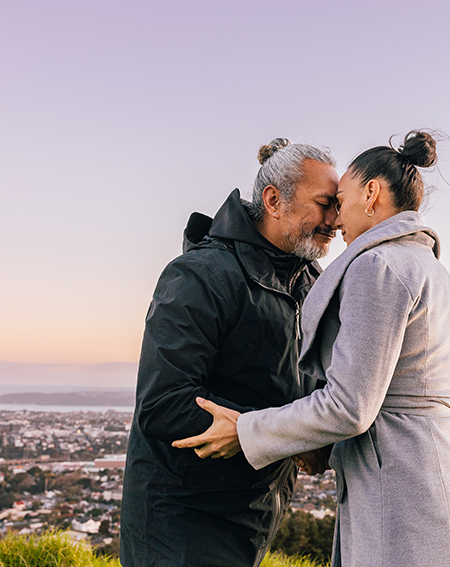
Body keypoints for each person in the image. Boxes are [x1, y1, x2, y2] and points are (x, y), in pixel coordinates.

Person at [174, 131, 450, 567]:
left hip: (406, 502)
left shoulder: (377, 266)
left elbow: (349, 407)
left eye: (339, 201)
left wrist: (247, 431)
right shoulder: (429, 268)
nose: (336, 219)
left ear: (371, 193)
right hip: (433, 487)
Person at [121, 138, 339, 567]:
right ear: (274, 200)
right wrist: (287, 438)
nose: (335, 219)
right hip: (181, 521)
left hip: (255, 509)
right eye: (324, 204)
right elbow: (163, 404)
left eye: (338, 205)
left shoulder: (309, 283)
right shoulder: (201, 274)